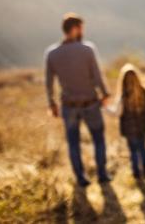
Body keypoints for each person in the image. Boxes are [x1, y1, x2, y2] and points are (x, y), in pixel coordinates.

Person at [45, 13, 111, 187]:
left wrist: (52, 103)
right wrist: (105, 94)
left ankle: (81, 178)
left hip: (68, 105)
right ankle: (102, 174)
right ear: (75, 29)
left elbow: (49, 82)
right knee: (98, 139)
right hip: (90, 103)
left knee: (73, 143)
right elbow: (97, 76)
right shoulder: (87, 49)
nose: (82, 31)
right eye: (81, 28)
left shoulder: (52, 54)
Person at [114, 63, 145, 179]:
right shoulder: (144, 92)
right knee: (143, 149)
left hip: (129, 129)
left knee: (133, 151)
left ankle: (136, 173)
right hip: (142, 127)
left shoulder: (123, 96)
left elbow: (118, 112)